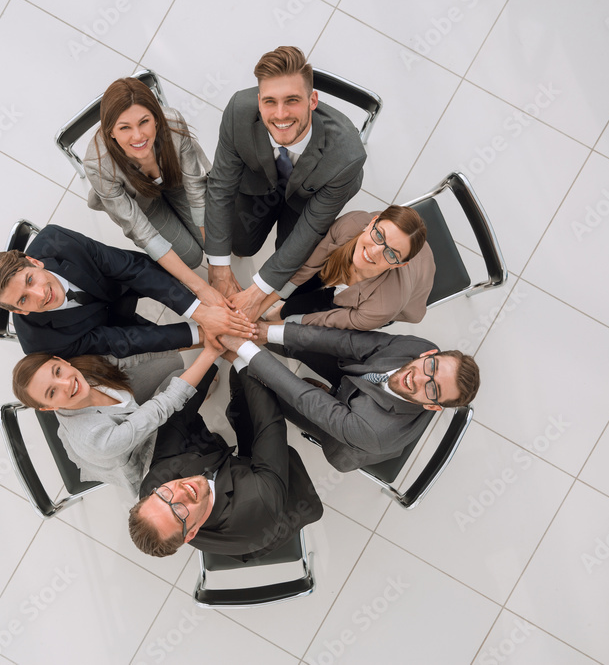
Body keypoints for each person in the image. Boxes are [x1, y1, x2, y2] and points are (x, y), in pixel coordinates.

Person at [204, 45, 367, 323]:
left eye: (292, 100)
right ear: (258, 102)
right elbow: (220, 186)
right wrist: (219, 269)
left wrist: (257, 292)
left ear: (312, 100)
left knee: (293, 255)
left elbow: (311, 227)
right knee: (240, 245)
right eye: (270, 101)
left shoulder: (347, 156)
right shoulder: (238, 111)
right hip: (260, 181)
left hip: (310, 195)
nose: (280, 114)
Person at [128, 362, 323, 561]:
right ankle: (317, 416)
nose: (181, 492)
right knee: (256, 387)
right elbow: (270, 426)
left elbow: (177, 417)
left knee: (236, 388)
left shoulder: (153, 485)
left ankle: (231, 427)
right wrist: (245, 360)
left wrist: (213, 357)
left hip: (225, 473)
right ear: (192, 533)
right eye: (178, 512)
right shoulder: (258, 502)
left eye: (163, 495)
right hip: (274, 508)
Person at [221, 323, 480, 472]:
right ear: (429, 355)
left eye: (433, 389)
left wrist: (242, 349)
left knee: (262, 384)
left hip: (348, 435)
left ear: (432, 406)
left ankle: (242, 381)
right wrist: (262, 330)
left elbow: (305, 398)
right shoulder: (420, 347)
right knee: (298, 341)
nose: (419, 378)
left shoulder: (375, 432)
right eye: (432, 367)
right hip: (360, 377)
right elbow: (349, 341)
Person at [0, 225, 254, 359]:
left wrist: (200, 311)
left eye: (30, 280)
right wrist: (203, 333)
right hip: (105, 328)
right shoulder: (40, 342)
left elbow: (132, 270)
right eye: (24, 299)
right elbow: (119, 341)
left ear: (34, 262)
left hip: (120, 279)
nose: (40, 294)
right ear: (20, 311)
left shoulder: (56, 241)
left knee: (161, 280)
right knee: (145, 341)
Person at [10, 337, 223, 497]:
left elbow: (136, 355)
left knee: (169, 359)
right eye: (52, 392)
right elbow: (162, 407)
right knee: (181, 385)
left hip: (125, 416)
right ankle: (202, 394)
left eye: (57, 372)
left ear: (61, 361)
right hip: (143, 456)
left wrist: (205, 337)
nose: (66, 384)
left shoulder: (83, 367)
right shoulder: (95, 437)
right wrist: (213, 352)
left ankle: (198, 384)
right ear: (48, 408)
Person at [86, 77, 225, 308]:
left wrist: (218, 266)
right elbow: (141, 231)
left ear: (157, 119)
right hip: (143, 203)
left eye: (144, 122)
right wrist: (201, 288)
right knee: (190, 257)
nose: (138, 136)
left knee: (218, 239)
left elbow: (196, 190)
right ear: (111, 132)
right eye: (125, 128)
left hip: (176, 181)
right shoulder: (98, 165)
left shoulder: (173, 123)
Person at [258, 206, 435, 330]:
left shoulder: (382, 306)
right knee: (292, 290)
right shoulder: (351, 224)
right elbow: (307, 269)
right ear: (372, 222)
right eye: (379, 235)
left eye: (391, 253)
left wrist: (266, 329)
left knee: (297, 310)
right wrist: (257, 307)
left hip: (399, 292)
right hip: (350, 257)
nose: (374, 251)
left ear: (399, 264)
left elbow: (325, 321)